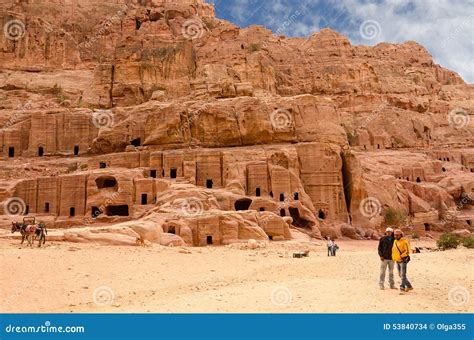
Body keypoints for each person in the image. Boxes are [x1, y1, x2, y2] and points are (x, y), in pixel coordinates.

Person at [392, 229, 413, 293]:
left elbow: (408, 251)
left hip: (403, 260)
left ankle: (402, 288)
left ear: (401, 235)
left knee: (403, 275)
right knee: (400, 275)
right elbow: (394, 250)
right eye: (395, 235)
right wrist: (394, 257)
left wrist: (401, 256)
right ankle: (409, 286)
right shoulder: (395, 241)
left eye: (397, 235)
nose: (395, 236)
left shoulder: (404, 241)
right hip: (397, 260)